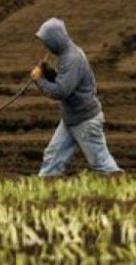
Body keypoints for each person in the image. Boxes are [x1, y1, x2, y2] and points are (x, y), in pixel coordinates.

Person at [30, 17, 122, 177]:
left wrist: (39, 80)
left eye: (46, 41)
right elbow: (67, 83)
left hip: (85, 121)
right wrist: (49, 73)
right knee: (52, 158)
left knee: (102, 164)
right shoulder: (67, 56)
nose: (45, 46)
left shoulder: (72, 59)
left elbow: (61, 92)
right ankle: (44, 191)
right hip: (71, 119)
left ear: (55, 39)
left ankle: (124, 192)